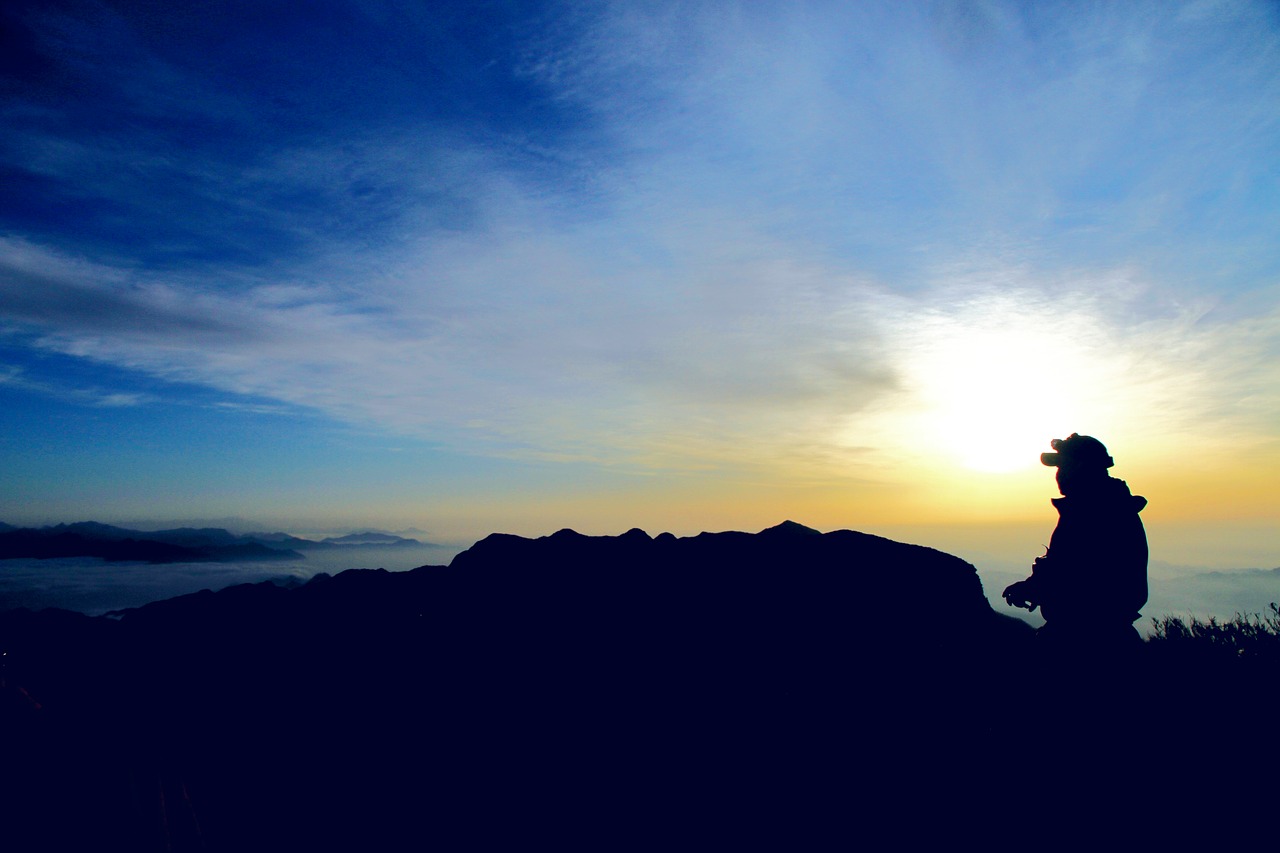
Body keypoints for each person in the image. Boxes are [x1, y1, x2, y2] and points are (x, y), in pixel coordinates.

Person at [1002, 434, 1149, 651]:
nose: (1058, 474)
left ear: (1081, 466)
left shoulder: (1094, 513)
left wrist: (1035, 588)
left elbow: (1079, 575)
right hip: (1106, 635)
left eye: (1062, 466)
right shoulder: (1107, 506)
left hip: (1086, 640)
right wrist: (1034, 586)